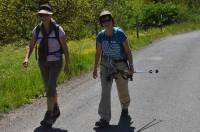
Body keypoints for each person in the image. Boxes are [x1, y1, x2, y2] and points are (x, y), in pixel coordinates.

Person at [23, 3, 69, 127]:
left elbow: (65, 47)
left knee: (49, 88)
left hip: (56, 61)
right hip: (43, 62)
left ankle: (49, 115)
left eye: (46, 15)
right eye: (41, 15)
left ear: (50, 15)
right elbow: (31, 45)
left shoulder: (58, 29)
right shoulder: (37, 30)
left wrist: (67, 64)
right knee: (50, 87)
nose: (43, 17)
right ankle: (56, 109)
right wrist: (26, 58)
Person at [93, 10, 134, 127]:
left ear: (112, 20)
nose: (106, 22)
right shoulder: (100, 36)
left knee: (122, 88)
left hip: (120, 64)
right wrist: (95, 68)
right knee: (105, 91)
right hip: (106, 65)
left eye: (108, 19)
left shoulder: (119, 33)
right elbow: (98, 52)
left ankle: (125, 108)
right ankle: (104, 118)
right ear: (101, 23)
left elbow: (128, 51)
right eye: (103, 20)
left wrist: (131, 66)